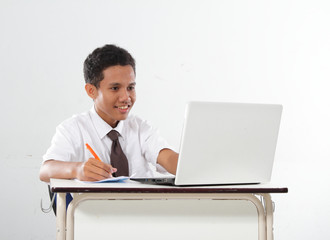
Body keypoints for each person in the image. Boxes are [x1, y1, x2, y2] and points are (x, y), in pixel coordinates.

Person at [39, 44, 178, 183]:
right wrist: (77, 169)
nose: (125, 97)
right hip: (92, 204)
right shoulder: (73, 129)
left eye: (130, 87)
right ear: (91, 91)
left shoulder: (140, 128)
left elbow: (168, 158)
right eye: (115, 88)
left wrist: (190, 164)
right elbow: (45, 171)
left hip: (139, 204)